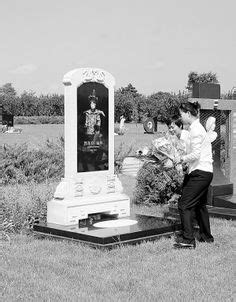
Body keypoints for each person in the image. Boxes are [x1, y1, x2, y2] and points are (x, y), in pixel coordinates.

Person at [173, 101, 214, 249]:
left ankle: (188, 240)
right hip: (203, 172)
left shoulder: (196, 129)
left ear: (188, 114)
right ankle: (206, 237)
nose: (181, 117)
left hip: (200, 173)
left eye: (181, 114)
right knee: (200, 205)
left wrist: (181, 159)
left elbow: (196, 154)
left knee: (184, 204)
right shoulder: (195, 128)